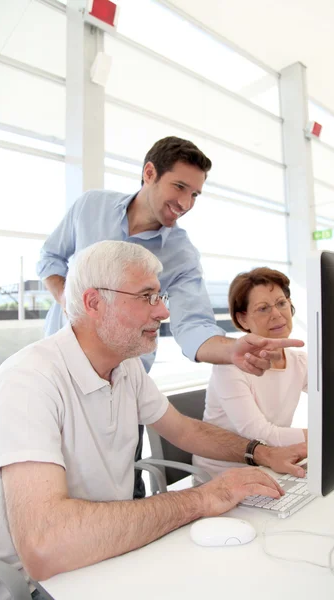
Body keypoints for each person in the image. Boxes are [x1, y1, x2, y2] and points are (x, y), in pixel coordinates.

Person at [0, 242, 307, 598]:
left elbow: (186, 430)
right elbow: (44, 547)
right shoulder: (30, 378)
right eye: (147, 297)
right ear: (94, 303)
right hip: (42, 585)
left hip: (111, 554)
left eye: (160, 297)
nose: (163, 312)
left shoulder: (125, 366)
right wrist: (204, 498)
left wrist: (261, 453)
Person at [36, 136, 303, 497]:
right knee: (52, 483)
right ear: (149, 173)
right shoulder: (90, 208)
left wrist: (232, 351)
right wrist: (71, 304)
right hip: (64, 370)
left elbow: (191, 325)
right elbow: (50, 259)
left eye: (195, 194)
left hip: (120, 383)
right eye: (180, 186)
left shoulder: (180, 254)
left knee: (122, 489)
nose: (186, 203)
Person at [193, 267, 308, 478]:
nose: (276, 314)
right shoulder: (230, 365)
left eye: (281, 303)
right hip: (223, 476)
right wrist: (317, 436)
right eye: (263, 308)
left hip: (272, 467)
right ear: (243, 319)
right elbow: (259, 434)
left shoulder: (299, 360)